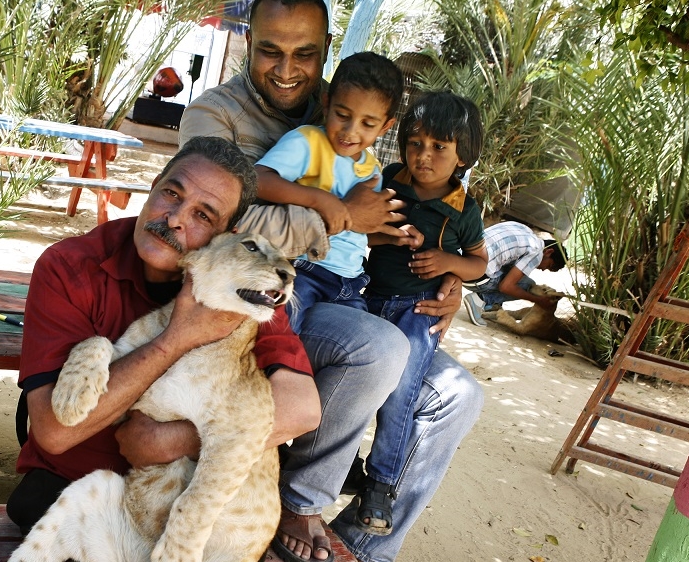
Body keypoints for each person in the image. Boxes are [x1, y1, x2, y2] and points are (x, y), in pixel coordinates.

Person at [180, 1, 484, 561]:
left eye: (306, 54)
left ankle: (362, 545)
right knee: (380, 349)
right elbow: (216, 223)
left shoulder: (351, 119)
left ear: (325, 55)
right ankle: (290, 499)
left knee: (455, 397)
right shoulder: (215, 118)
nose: (287, 68)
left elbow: (390, 215)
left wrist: (444, 274)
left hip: (349, 289)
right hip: (271, 291)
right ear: (249, 40)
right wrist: (339, 213)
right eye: (271, 50)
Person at [5, 136, 323, 536]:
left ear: (227, 236)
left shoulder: (239, 287)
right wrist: (176, 339)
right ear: (153, 184)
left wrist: (170, 440)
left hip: (176, 493)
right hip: (77, 483)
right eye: (171, 193)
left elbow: (301, 408)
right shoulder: (69, 267)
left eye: (203, 216)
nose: (175, 219)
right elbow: (55, 432)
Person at [355, 91, 488, 536]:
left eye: (439, 148)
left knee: (402, 394)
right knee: (351, 383)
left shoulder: (464, 211)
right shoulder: (388, 181)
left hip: (418, 310)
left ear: (463, 157)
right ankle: (341, 468)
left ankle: (381, 483)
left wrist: (448, 263)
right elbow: (359, 235)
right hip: (365, 296)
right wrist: (387, 239)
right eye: (416, 143)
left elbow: (478, 262)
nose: (423, 156)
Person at [254, 51, 403, 333]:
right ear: (326, 103)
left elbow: (357, 227)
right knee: (277, 336)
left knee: (366, 342)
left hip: (350, 281)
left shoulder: (373, 170)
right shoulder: (308, 142)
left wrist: (393, 236)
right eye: (342, 115)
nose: (350, 131)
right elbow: (258, 179)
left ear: (385, 126)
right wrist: (321, 200)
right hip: (303, 269)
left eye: (367, 124)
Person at [462, 221, 567, 325]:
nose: (543, 269)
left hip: (461, 261)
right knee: (528, 285)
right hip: (474, 277)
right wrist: (538, 300)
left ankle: (492, 305)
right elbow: (506, 287)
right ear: (549, 252)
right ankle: (481, 299)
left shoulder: (523, 229)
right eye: (548, 266)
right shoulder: (536, 252)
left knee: (511, 270)